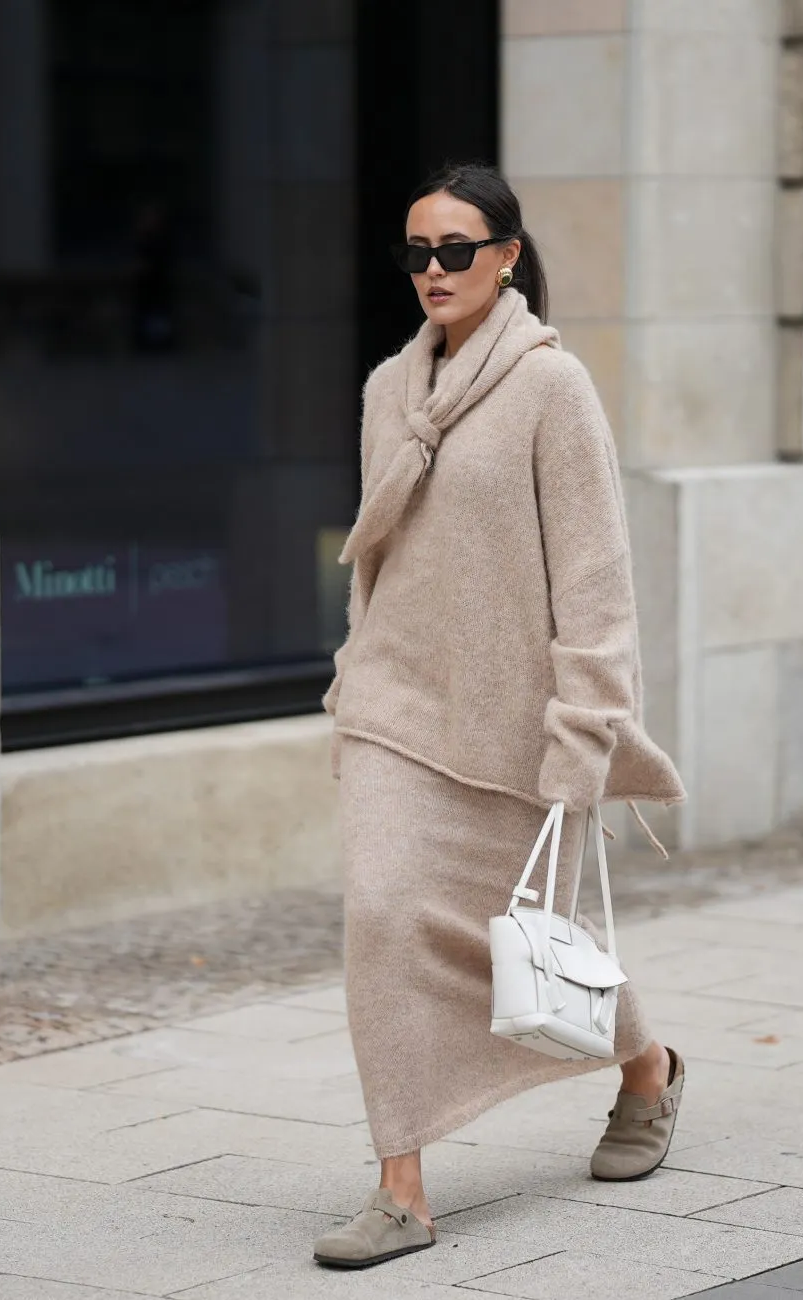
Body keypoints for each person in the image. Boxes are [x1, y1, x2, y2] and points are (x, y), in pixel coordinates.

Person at [313, 163, 688, 1270]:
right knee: (381, 918)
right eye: (416, 252)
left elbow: (595, 584)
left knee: (528, 947)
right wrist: (351, 675)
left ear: (506, 257)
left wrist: (585, 733)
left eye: (455, 251)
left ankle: (646, 1067)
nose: (432, 271)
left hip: (517, 727)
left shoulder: (549, 387)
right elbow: (373, 555)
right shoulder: (389, 388)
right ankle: (401, 1187)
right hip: (392, 710)